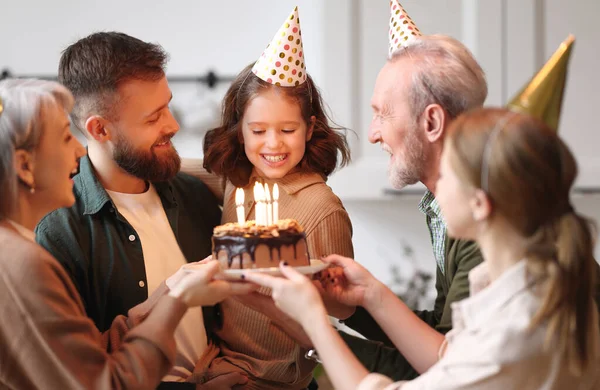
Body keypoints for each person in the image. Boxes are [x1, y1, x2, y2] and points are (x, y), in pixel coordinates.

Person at [246, 107, 600, 389]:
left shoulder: (518, 328)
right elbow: (450, 357)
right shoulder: (516, 283)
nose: (434, 185)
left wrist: (312, 320)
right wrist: (372, 294)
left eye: (445, 175)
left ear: (480, 203)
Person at [0, 78, 255, 390]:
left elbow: (84, 353)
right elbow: (104, 383)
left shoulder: (15, 250)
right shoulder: (21, 263)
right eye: (65, 137)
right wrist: (177, 300)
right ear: (25, 167)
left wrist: (165, 295)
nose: (80, 149)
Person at [34, 32, 229, 388]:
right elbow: (70, 369)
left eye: (168, 105)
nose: (172, 125)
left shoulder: (196, 197)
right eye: (153, 118)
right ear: (100, 129)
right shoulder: (57, 231)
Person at [180, 7, 353, 389]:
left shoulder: (321, 208)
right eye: (258, 130)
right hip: (214, 358)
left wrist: (311, 278)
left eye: (287, 129)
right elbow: (180, 169)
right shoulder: (237, 180)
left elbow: (344, 307)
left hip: (272, 378)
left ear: (309, 129)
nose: (272, 144)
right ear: (239, 130)